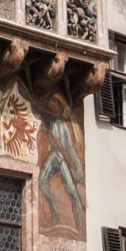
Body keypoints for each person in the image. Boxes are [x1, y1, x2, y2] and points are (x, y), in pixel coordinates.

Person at [38, 99, 85, 231]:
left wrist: (79, 168)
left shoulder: (64, 126)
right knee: (42, 181)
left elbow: (69, 149)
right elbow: (41, 113)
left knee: (73, 193)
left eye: (54, 105)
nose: (51, 106)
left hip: (62, 158)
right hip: (54, 155)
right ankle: (55, 213)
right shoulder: (50, 121)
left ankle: (80, 227)